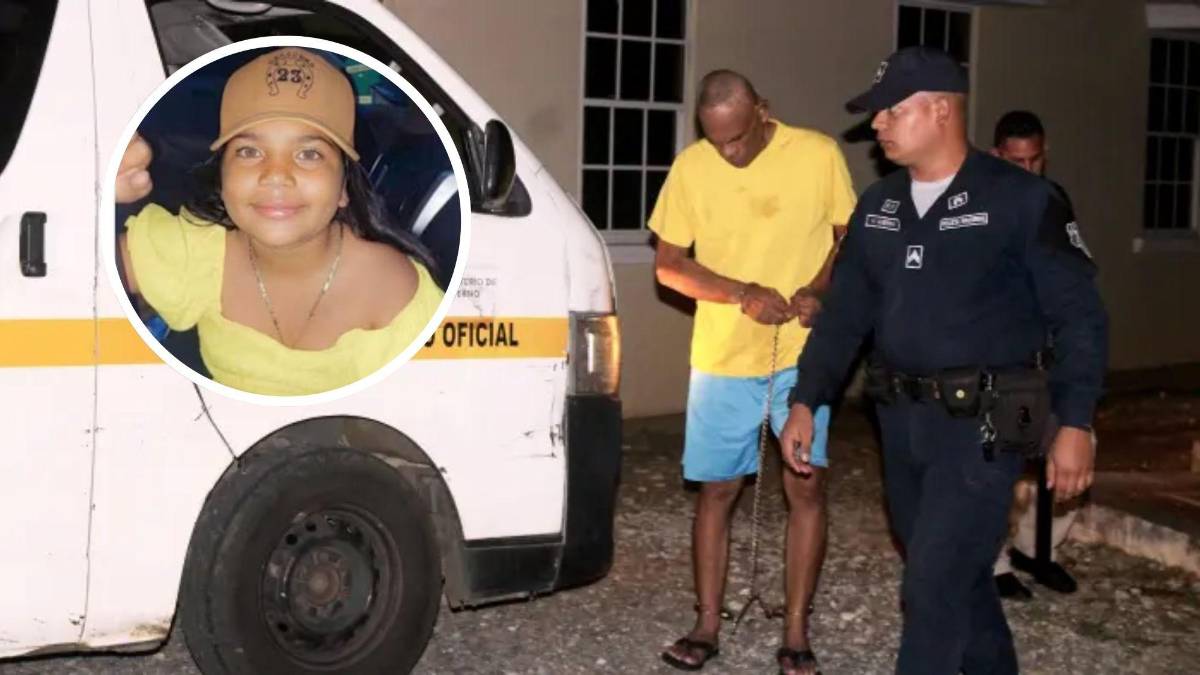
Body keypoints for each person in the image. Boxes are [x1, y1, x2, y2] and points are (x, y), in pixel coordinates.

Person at [779, 47, 1107, 674]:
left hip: (988, 422)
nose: (877, 124)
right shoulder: (879, 205)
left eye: (890, 111)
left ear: (939, 110)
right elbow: (845, 316)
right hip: (901, 421)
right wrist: (806, 399)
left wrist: (1076, 420)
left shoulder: (1021, 199)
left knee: (930, 585)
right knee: (958, 577)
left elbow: (1081, 317)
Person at [652, 70, 856, 674]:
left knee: (805, 485)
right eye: (716, 140)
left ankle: (795, 631)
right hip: (723, 359)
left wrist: (820, 290)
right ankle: (706, 623)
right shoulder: (691, 168)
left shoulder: (817, 154)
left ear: (762, 111)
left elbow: (850, 239)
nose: (728, 153)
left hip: (802, 358)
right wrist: (741, 293)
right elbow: (669, 266)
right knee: (717, 491)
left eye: (737, 139)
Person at [114, 47, 443, 396]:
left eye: (309, 154)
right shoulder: (199, 249)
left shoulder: (393, 293)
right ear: (223, 179)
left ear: (344, 188)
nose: (275, 175)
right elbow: (79, 275)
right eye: (249, 152)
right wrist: (101, 190)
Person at [990, 109, 1087, 600]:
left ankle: (1038, 548)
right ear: (997, 156)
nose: (1028, 170)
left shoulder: (1055, 200)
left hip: (1048, 351)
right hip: (1002, 354)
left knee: (1074, 448)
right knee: (999, 456)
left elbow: (1074, 272)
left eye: (1035, 160)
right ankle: (992, 561)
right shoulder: (981, 203)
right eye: (1016, 161)